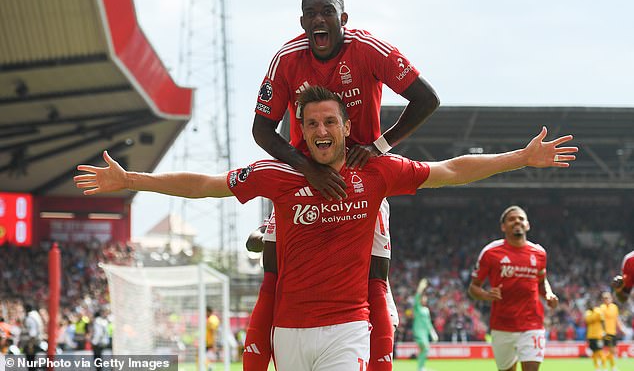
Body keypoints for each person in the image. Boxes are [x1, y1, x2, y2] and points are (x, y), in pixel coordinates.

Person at [75, 86, 577, 371]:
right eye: (310, 123)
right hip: (288, 332)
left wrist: (521, 158)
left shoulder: (376, 172)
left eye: (329, 122)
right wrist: (131, 179)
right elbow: (205, 183)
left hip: (347, 329)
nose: (320, 131)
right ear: (300, 129)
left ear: (345, 126)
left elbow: (451, 169)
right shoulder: (277, 175)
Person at [248, 0, 440, 371]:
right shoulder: (286, 59)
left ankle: (378, 324)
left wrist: (379, 147)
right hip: (303, 181)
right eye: (312, 14)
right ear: (302, 22)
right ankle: (272, 233)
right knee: (273, 268)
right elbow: (262, 130)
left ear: (343, 19)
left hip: (362, 180)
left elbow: (427, 98)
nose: (319, 20)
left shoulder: (369, 50)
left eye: (327, 12)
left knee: (374, 277)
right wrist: (305, 169)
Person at [467, 206, 560, 371]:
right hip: (502, 325)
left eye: (521, 218)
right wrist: (487, 295)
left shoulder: (539, 253)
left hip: (532, 324)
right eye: (511, 219)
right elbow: (473, 288)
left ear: (528, 225)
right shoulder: (490, 252)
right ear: (503, 227)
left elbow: (541, 281)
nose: (517, 221)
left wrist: (549, 294)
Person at [413, 279, 438, 371]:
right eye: (423, 297)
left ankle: (421, 367)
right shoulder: (417, 308)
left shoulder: (426, 310)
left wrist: (433, 333)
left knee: (424, 350)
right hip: (418, 331)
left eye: (425, 298)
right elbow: (416, 297)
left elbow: (429, 323)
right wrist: (421, 287)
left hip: (425, 333)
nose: (425, 298)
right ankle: (421, 368)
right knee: (425, 347)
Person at [600, 291, 623, 371]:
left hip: (613, 332)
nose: (606, 299)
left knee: (613, 351)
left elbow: (617, 319)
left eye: (608, 298)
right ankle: (606, 367)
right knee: (608, 350)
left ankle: (605, 363)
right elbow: (600, 321)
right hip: (606, 332)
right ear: (603, 299)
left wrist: (621, 328)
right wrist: (602, 331)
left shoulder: (614, 307)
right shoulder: (602, 308)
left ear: (611, 298)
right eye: (605, 298)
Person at [585, 300, 606, 371]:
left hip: (598, 335)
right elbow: (587, 321)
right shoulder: (588, 313)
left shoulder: (598, 311)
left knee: (600, 352)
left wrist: (604, 331)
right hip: (591, 336)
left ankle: (604, 368)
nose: (590, 306)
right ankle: (597, 368)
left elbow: (603, 321)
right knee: (594, 353)